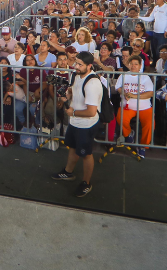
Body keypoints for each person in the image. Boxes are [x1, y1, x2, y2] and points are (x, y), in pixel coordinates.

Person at [51, 52, 104, 198]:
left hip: (86, 124)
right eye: (76, 63)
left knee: (86, 154)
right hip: (75, 122)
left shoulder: (93, 84)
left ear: (89, 66)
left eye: (80, 64)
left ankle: (86, 183)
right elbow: (72, 90)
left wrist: (73, 112)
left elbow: (91, 112)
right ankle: (68, 172)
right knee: (73, 147)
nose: (76, 66)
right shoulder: (75, 75)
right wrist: (68, 95)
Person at [115, 55, 154, 156]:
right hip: (127, 106)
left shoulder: (145, 77)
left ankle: (143, 146)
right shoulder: (123, 75)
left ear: (140, 66)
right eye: (131, 64)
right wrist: (124, 93)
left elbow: (150, 93)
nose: (133, 66)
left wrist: (134, 96)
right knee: (120, 118)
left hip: (144, 107)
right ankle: (128, 134)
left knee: (149, 124)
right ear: (128, 65)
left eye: (136, 64)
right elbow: (118, 87)